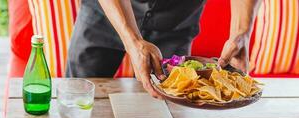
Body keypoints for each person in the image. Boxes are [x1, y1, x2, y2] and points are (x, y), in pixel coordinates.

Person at [66, 0, 261, 98]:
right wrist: (132, 39)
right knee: (76, 99)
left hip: (177, 21)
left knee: (168, 115)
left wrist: (241, 32)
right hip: (105, 15)